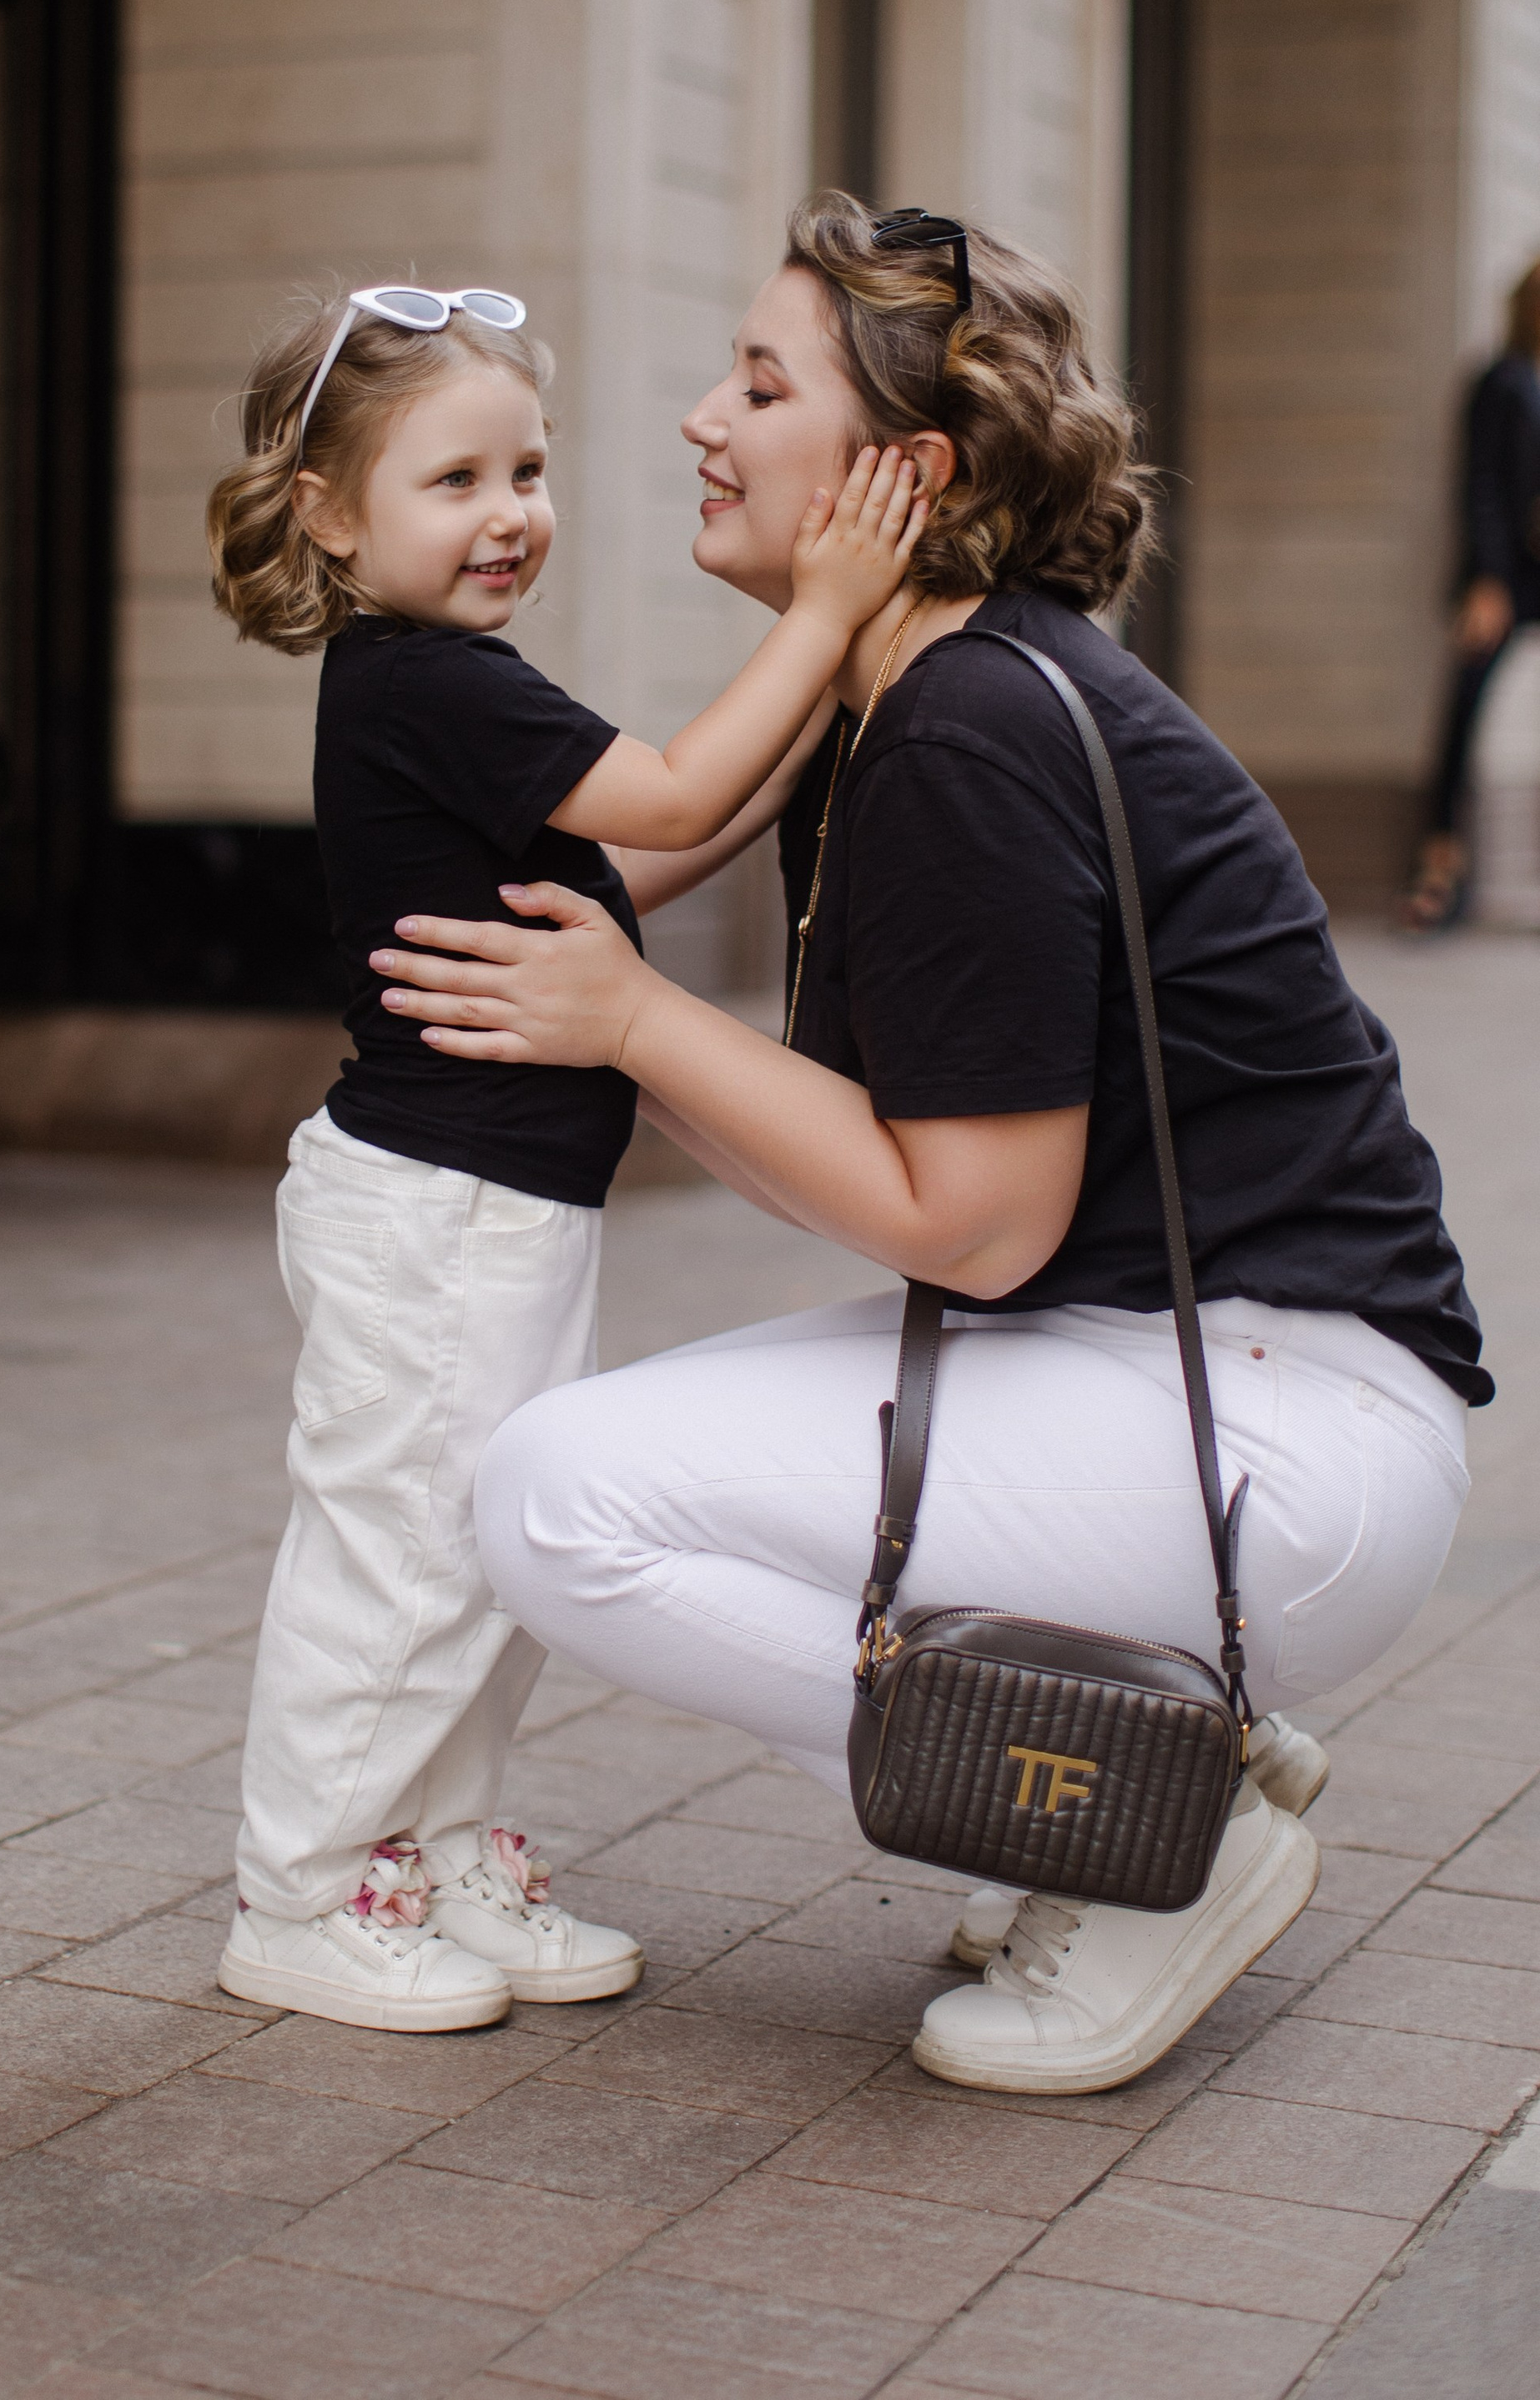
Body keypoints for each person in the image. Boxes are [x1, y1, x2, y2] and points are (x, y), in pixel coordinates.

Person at [370, 192, 1487, 2097]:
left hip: (1273, 1433)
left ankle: (1143, 1838)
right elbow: (597, 872)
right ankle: (1130, 1756)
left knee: (561, 1496)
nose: (695, 423)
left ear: (903, 469)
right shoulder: (904, 688)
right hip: (1196, 1384)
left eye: (754, 381)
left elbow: (968, 1223)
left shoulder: (964, 727)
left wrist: (637, 1026)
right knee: (589, 1470)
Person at [201, 278, 929, 2032]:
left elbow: (621, 870)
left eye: (523, 470)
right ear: (327, 511)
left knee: (479, 1556)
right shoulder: (428, 685)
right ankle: (296, 1895)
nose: (508, 512)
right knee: (402, 1556)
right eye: (453, 481)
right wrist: (826, 618)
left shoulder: (447, 685)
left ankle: (436, 1854)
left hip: (490, 1208)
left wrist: (819, 707)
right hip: (434, 1210)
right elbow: (672, 799)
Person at [1402, 256, 1540, 929]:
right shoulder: (1502, 382)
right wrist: (1486, 579)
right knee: (1464, 708)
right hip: (1507, 577)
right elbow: (1480, 485)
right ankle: (1439, 867)